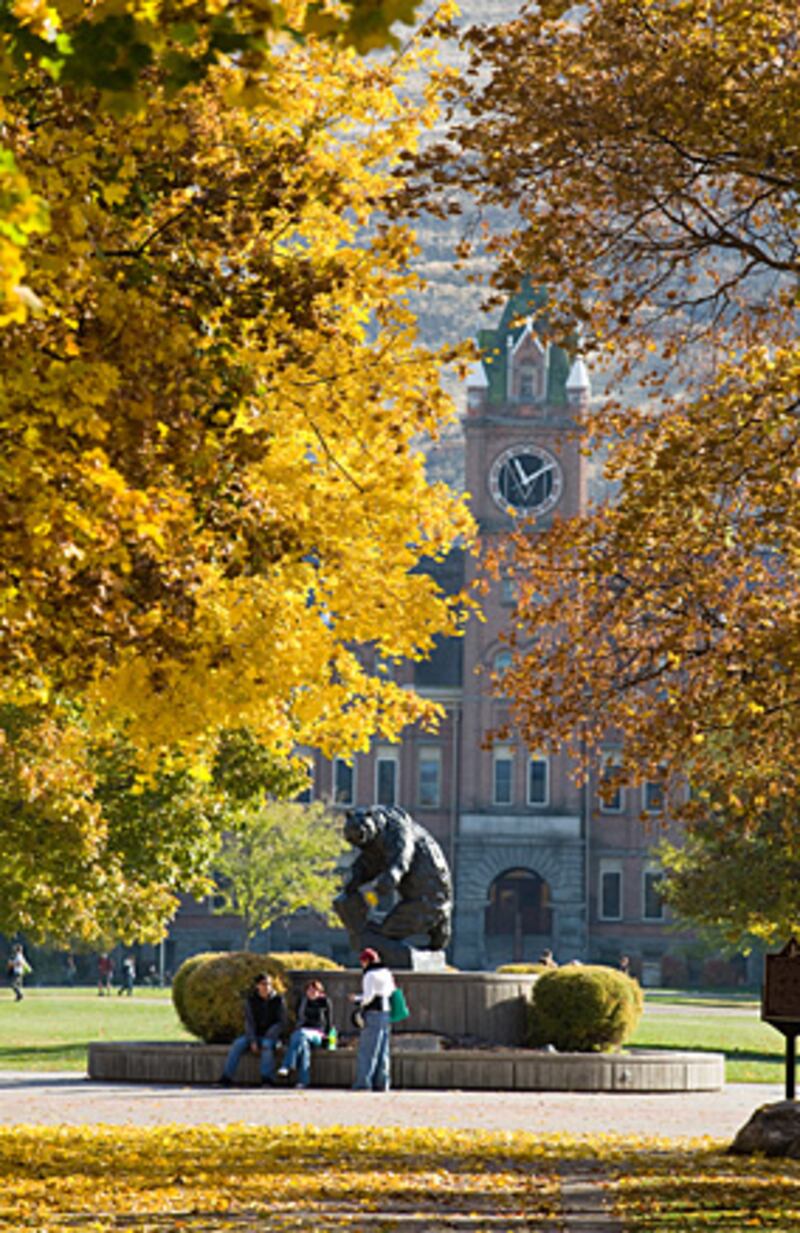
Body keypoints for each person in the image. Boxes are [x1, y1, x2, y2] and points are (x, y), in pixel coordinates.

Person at [218, 973, 286, 1087]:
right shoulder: (251, 1001)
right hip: (255, 1035)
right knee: (237, 1044)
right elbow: (249, 1022)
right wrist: (253, 1040)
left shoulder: (278, 1000)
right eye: (264, 984)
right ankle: (226, 1077)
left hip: (272, 1036)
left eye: (269, 984)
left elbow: (281, 1022)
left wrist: (269, 1035)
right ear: (257, 986)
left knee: (266, 1045)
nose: (267, 987)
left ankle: (267, 1079)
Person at [351, 947, 395, 1092]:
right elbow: (391, 991)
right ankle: (382, 1083)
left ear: (367, 961)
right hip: (386, 1012)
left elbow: (368, 997)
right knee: (383, 1050)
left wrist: (357, 999)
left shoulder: (369, 975)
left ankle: (363, 1083)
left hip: (373, 1012)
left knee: (367, 1050)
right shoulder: (386, 972)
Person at [277, 979, 333, 1089]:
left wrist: (327, 1037)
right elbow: (298, 1019)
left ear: (320, 992)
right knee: (303, 1046)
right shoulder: (302, 1002)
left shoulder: (325, 1002)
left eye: (314, 990)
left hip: (318, 1033)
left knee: (299, 1034)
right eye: (309, 990)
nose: (311, 992)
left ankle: (287, 1065)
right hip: (302, 1033)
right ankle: (303, 1081)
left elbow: (329, 1022)